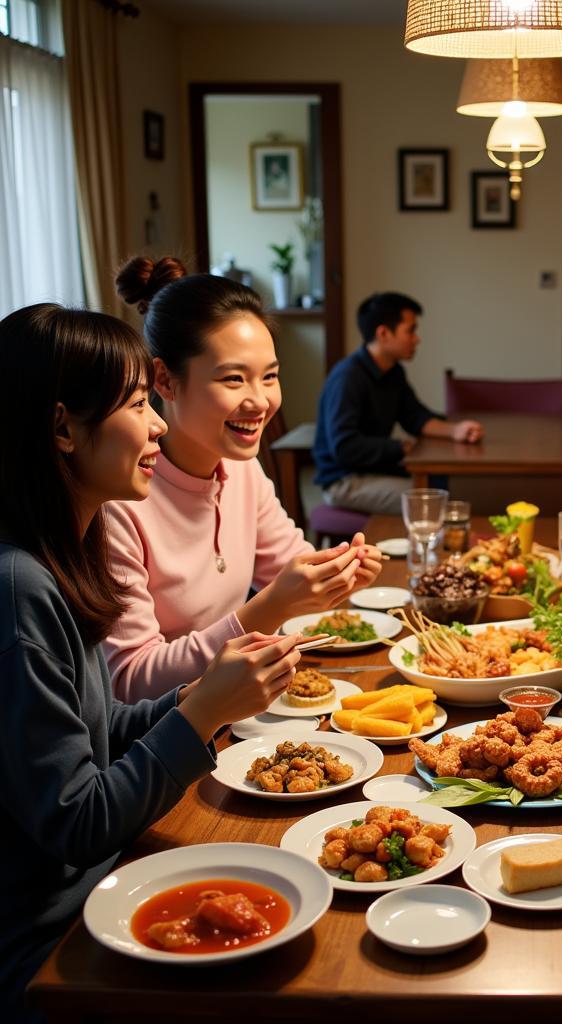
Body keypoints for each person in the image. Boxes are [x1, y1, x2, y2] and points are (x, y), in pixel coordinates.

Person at [0, 304, 304, 1020]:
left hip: (108, 881)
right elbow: (76, 821)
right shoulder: (18, 589)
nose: (159, 426)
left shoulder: (64, 554)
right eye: (140, 405)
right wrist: (203, 710)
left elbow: (98, 729)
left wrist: (212, 695)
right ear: (62, 428)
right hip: (50, 942)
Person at [105, 257, 382, 702]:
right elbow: (130, 683)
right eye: (234, 379)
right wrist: (270, 606)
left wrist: (339, 574)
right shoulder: (119, 499)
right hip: (166, 741)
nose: (260, 401)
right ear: (165, 380)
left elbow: (291, 562)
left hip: (238, 711)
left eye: (269, 376)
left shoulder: (239, 466)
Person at [313, 291, 483, 515]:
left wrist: (455, 430)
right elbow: (345, 447)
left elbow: (414, 416)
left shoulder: (393, 371)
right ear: (383, 333)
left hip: (376, 470)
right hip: (345, 480)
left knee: (446, 483)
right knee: (434, 501)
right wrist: (400, 447)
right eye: (410, 330)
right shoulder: (348, 377)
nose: (417, 338)